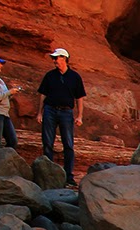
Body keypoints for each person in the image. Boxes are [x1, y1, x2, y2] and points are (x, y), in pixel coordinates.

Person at [36, 48, 86, 186]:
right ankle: (48, 174)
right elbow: (43, 95)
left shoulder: (75, 77)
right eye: (54, 58)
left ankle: (68, 176)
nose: (54, 60)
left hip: (66, 112)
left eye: (56, 58)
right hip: (50, 110)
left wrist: (80, 116)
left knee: (68, 144)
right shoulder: (50, 76)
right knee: (47, 143)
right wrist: (39, 112)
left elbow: (80, 97)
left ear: (64, 58)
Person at [0, 55, 20, 150]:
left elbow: (2, 96)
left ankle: (3, 161)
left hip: (4, 113)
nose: (1, 65)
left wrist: (10, 94)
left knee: (12, 141)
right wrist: (9, 92)